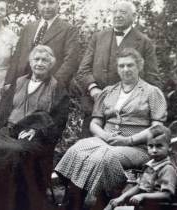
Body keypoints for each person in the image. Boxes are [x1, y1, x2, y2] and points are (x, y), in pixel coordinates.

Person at [54, 48, 167, 210]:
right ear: (117, 68)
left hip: (136, 146)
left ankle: (96, 203)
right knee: (76, 150)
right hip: (105, 140)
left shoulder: (151, 92)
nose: (126, 70)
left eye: (130, 65)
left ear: (139, 67)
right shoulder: (108, 91)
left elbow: (158, 127)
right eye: (121, 66)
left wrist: (128, 140)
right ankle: (73, 202)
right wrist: (104, 136)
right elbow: (95, 123)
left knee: (100, 158)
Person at [0, 45, 69, 210]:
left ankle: (12, 204)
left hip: (35, 137)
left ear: (51, 64)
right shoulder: (20, 81)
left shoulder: (57, 88)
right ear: (30, 62)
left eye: (44, 60)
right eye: (36, 59)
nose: (40, 63)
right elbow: (2, 107)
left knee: (15, 153)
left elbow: (59, 119)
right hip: (8, 130)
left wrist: (37, 130)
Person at [76, 1, 159, 137]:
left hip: (127, 114)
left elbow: (153, 78)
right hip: (94, 107)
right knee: (88, 150)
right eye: (115, 12)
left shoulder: (144, 42)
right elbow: (83, 70)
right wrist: (93, 89)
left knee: (117, 153)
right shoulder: (98, 37)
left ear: (134, 16)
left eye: (123, 12)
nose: (118, 15)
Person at [4, 0, 80, 88]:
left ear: (58, 4)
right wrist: (9, 82)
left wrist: (54, 84)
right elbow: (17, 57)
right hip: (22, 84)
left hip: (49, 85)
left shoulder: (69, 29)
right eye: (43, 2)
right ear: (38, 5)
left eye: (51, 2)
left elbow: (71, 60)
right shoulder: (28, 28)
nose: (47, 6)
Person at [105, 125, 177, 210]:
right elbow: (140, 186)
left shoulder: (167, 168)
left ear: (169, 147)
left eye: (159, 146)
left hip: (159, 206)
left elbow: (167, 195)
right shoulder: (151, 165)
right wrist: (122, 198)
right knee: (112, 206)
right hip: (143, 205)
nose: (154, 150)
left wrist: (142, 196)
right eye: (150, 146)